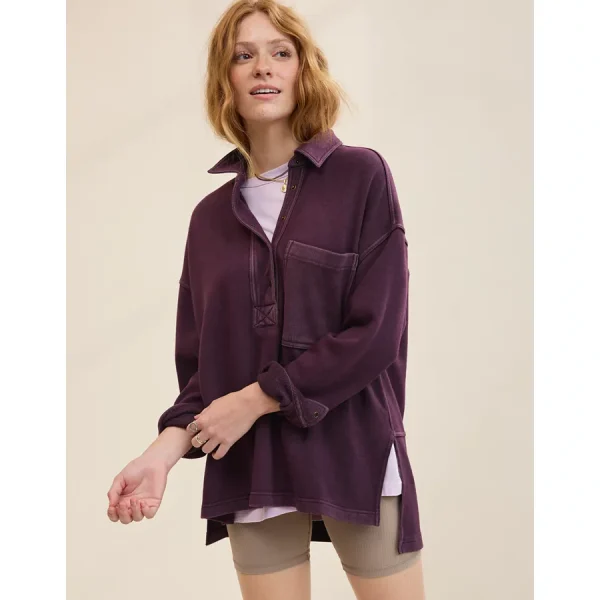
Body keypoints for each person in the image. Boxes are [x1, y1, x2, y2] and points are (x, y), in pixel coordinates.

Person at [106, 1, 426, 599]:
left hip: (352, 445)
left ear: (304, 69)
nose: (263, 67)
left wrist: (254, 400)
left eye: (281, 52)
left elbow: (375, 335)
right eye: (243, 55)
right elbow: (204, 372)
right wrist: (162, 452)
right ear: (224, 79)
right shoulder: (209, 220)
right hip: (251, 461)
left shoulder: (360, 176)